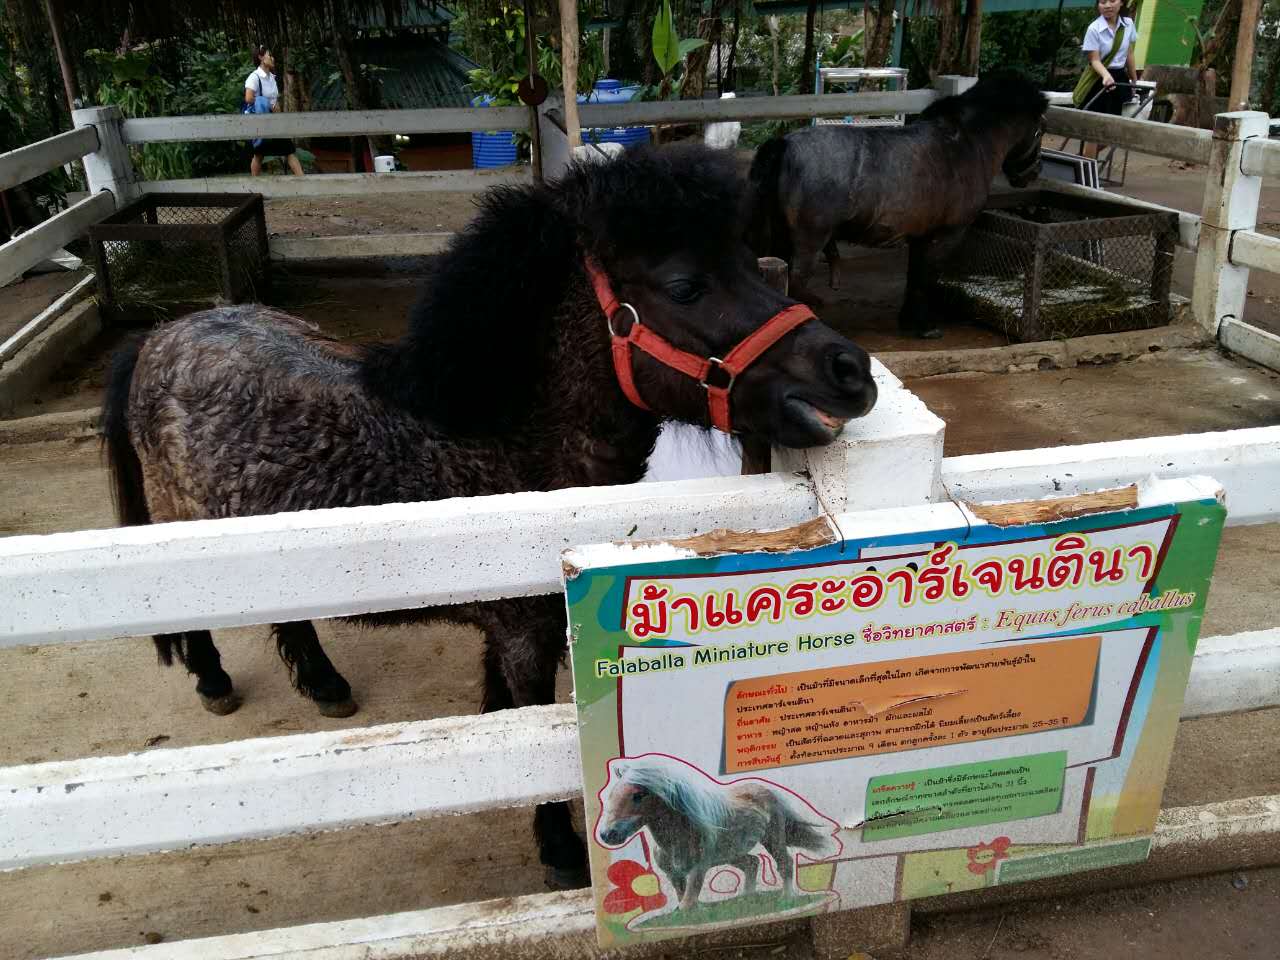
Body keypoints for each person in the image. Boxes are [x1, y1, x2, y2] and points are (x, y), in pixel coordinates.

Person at [1078, 0, 1138, 157]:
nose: (1107, 5)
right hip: (1098, 78)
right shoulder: (1094, 29)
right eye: (1103, 2)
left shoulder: (1128, 24)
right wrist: (1105, 75)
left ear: (1121, 3)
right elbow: (1094, 60)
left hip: (1120, 78)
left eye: (1112, 0)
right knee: (1094, 130)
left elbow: (1129, 53)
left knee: (1117, 129)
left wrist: (1134, 78)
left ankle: (1084, 157)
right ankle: (1087, 168)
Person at [245, 46, 304, 177]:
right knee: (258, 154)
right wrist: (267, 104)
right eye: (269, 55)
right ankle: (255, 186)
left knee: (289, 150)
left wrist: (276, 109)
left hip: (274, 120)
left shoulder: (272, 77)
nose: (272, 58)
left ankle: (303, 181)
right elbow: (248, 98)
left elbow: (274, 99)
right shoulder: (254, 77)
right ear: (261, 57)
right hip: (260, 121)